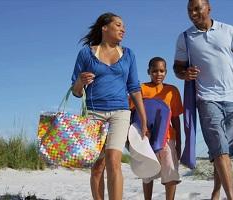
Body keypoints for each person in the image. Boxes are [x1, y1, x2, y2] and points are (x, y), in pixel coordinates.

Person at [173, 1, 233, 200]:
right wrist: (184, 73)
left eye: (197, 8)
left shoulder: (228, 30)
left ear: (209, 9)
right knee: (221, 150)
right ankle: (232, 198)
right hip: (206, 98)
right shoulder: (185, 38)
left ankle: (216, 192)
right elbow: (177, 68)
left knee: (223, 153)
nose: (193, 13)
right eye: (189, 10)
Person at [71, 12, 148, 200]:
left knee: (114, 162)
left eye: (124, 26)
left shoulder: (128, 54)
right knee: (98, 166)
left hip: (120, 113)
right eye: (119, 25)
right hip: (94, 113)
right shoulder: (86, 53)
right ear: (104, 28)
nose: (123, 29)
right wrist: (81, 81)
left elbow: (134, 88)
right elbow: (75, 91)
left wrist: (143, 119)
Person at [136, 57, 183, 200]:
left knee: (171, 172)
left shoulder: (172, 91)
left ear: (166, 72)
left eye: (162, 71)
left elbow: (175, 118)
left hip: (168, 138)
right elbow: (132, 114)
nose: (158, 74)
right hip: (146, 138)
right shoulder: (141, 89)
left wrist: (179, 142)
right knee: (147, 174)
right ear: (148, 72)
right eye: (154, 71)